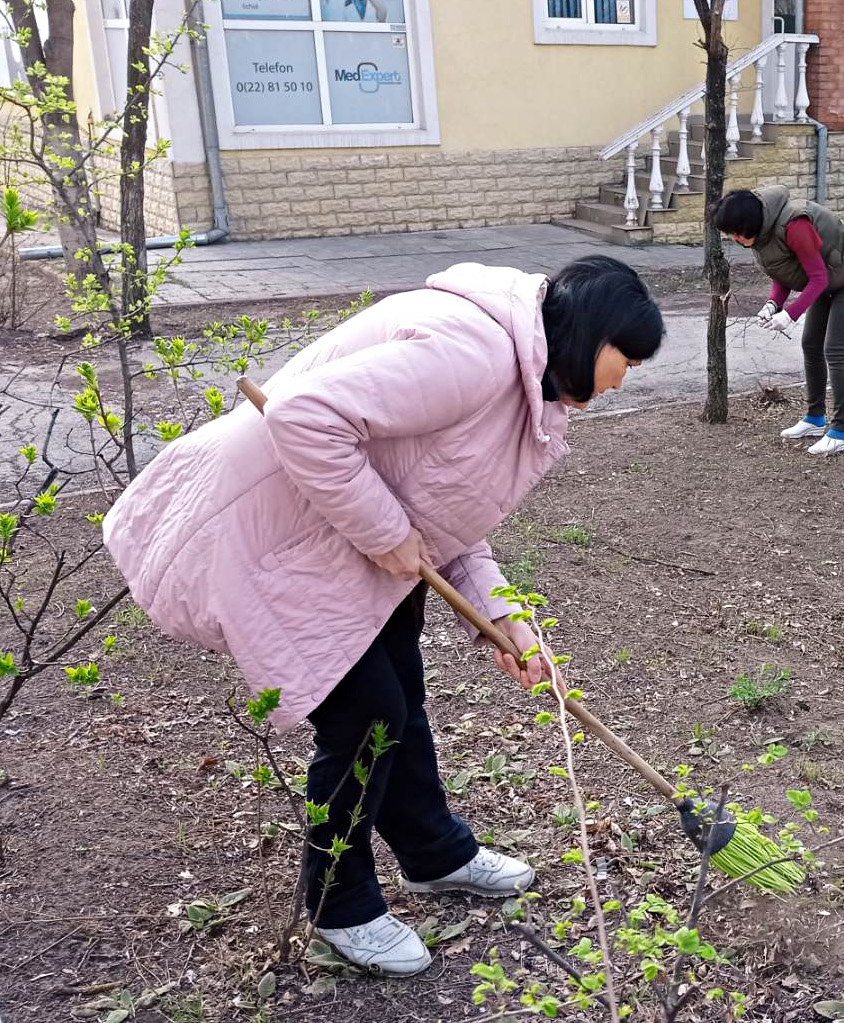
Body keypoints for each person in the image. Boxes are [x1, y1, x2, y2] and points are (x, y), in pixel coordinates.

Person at [102, 256, 664, 975]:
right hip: (285, 534)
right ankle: (341, 906)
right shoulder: (473, 350)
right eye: (628, 357)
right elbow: (304, 416)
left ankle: (435, 852)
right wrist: (386, 532)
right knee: (367, 714)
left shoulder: (525, 386)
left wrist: (508, 620)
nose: (627, 377)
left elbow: (455, 511)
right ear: (589, 335)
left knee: (401, 694)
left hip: (355, 541)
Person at [708, 185, 844, 456]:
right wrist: (773, 304)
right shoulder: (764, 230)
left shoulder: (795, 225)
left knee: (833, 349)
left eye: (736, 234)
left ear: (748, 225)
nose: (735, 239)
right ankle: (814, 419)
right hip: (829, 278)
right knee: (811, 345)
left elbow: (818, 277)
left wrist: (790, 314)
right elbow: (784, 270)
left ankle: (842, 431)